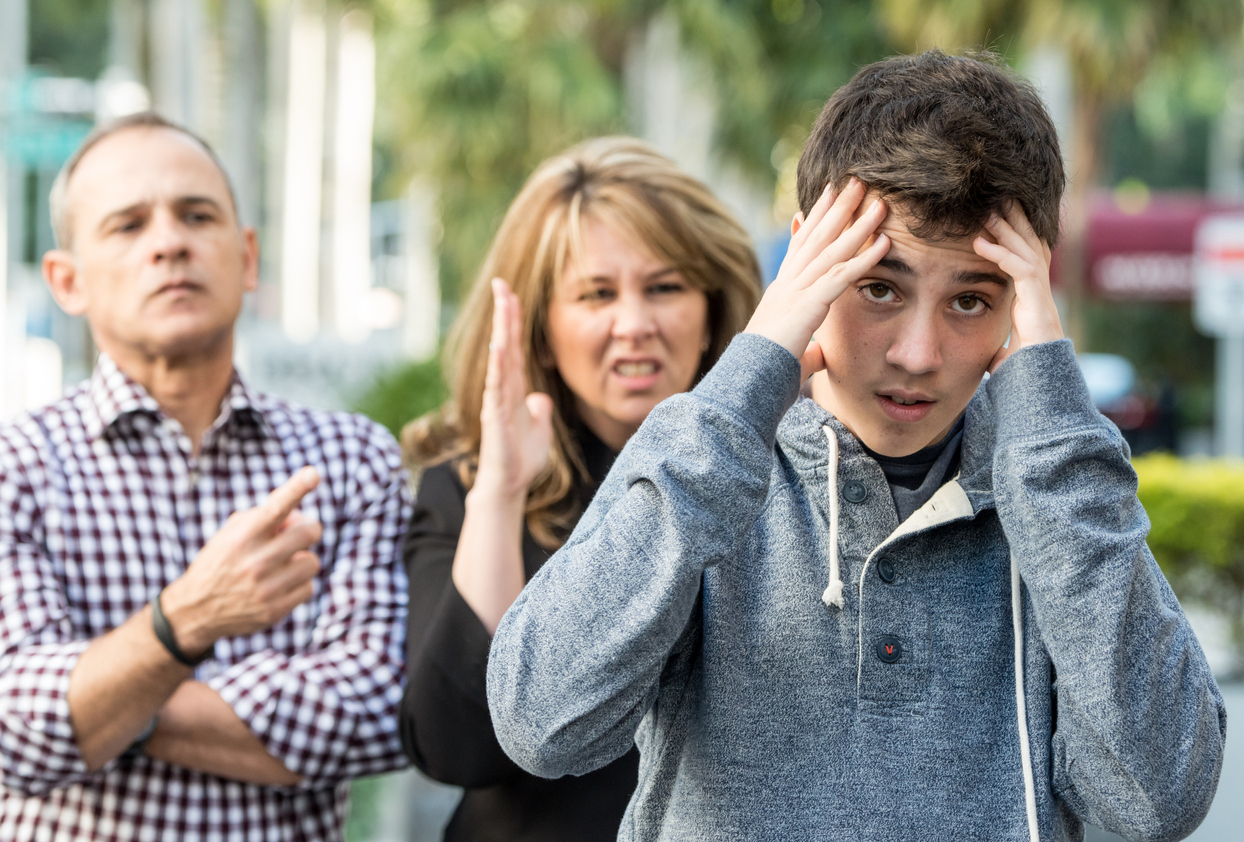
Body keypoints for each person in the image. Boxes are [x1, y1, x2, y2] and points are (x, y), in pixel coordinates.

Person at [487, 51, 1227, 841]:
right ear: (809, 257)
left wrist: (1051, 427)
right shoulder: (712, 456)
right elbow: (541, 723)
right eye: (880, 286)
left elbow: (1159, 800)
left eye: (971, 300)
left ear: (1027, 294)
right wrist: (749, 376)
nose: (917, 352)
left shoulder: (1054, 488)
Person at [0, 113, 410, 840]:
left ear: (247, 258)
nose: (169, 243)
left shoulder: (351, 461)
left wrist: (106, 697)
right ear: (67, 280)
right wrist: (185, 619)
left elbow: (377, 711)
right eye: (127, 226)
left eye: (197, 215)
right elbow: (13, 733)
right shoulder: (17, 467)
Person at [398, 136, 761, 841]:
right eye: (596, 294)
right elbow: (457, 747)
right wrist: (500, 491)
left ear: (714, 309)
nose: (635, 325)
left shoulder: (783, 477)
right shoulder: (470, 487)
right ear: (540, 328)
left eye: (665, 287)